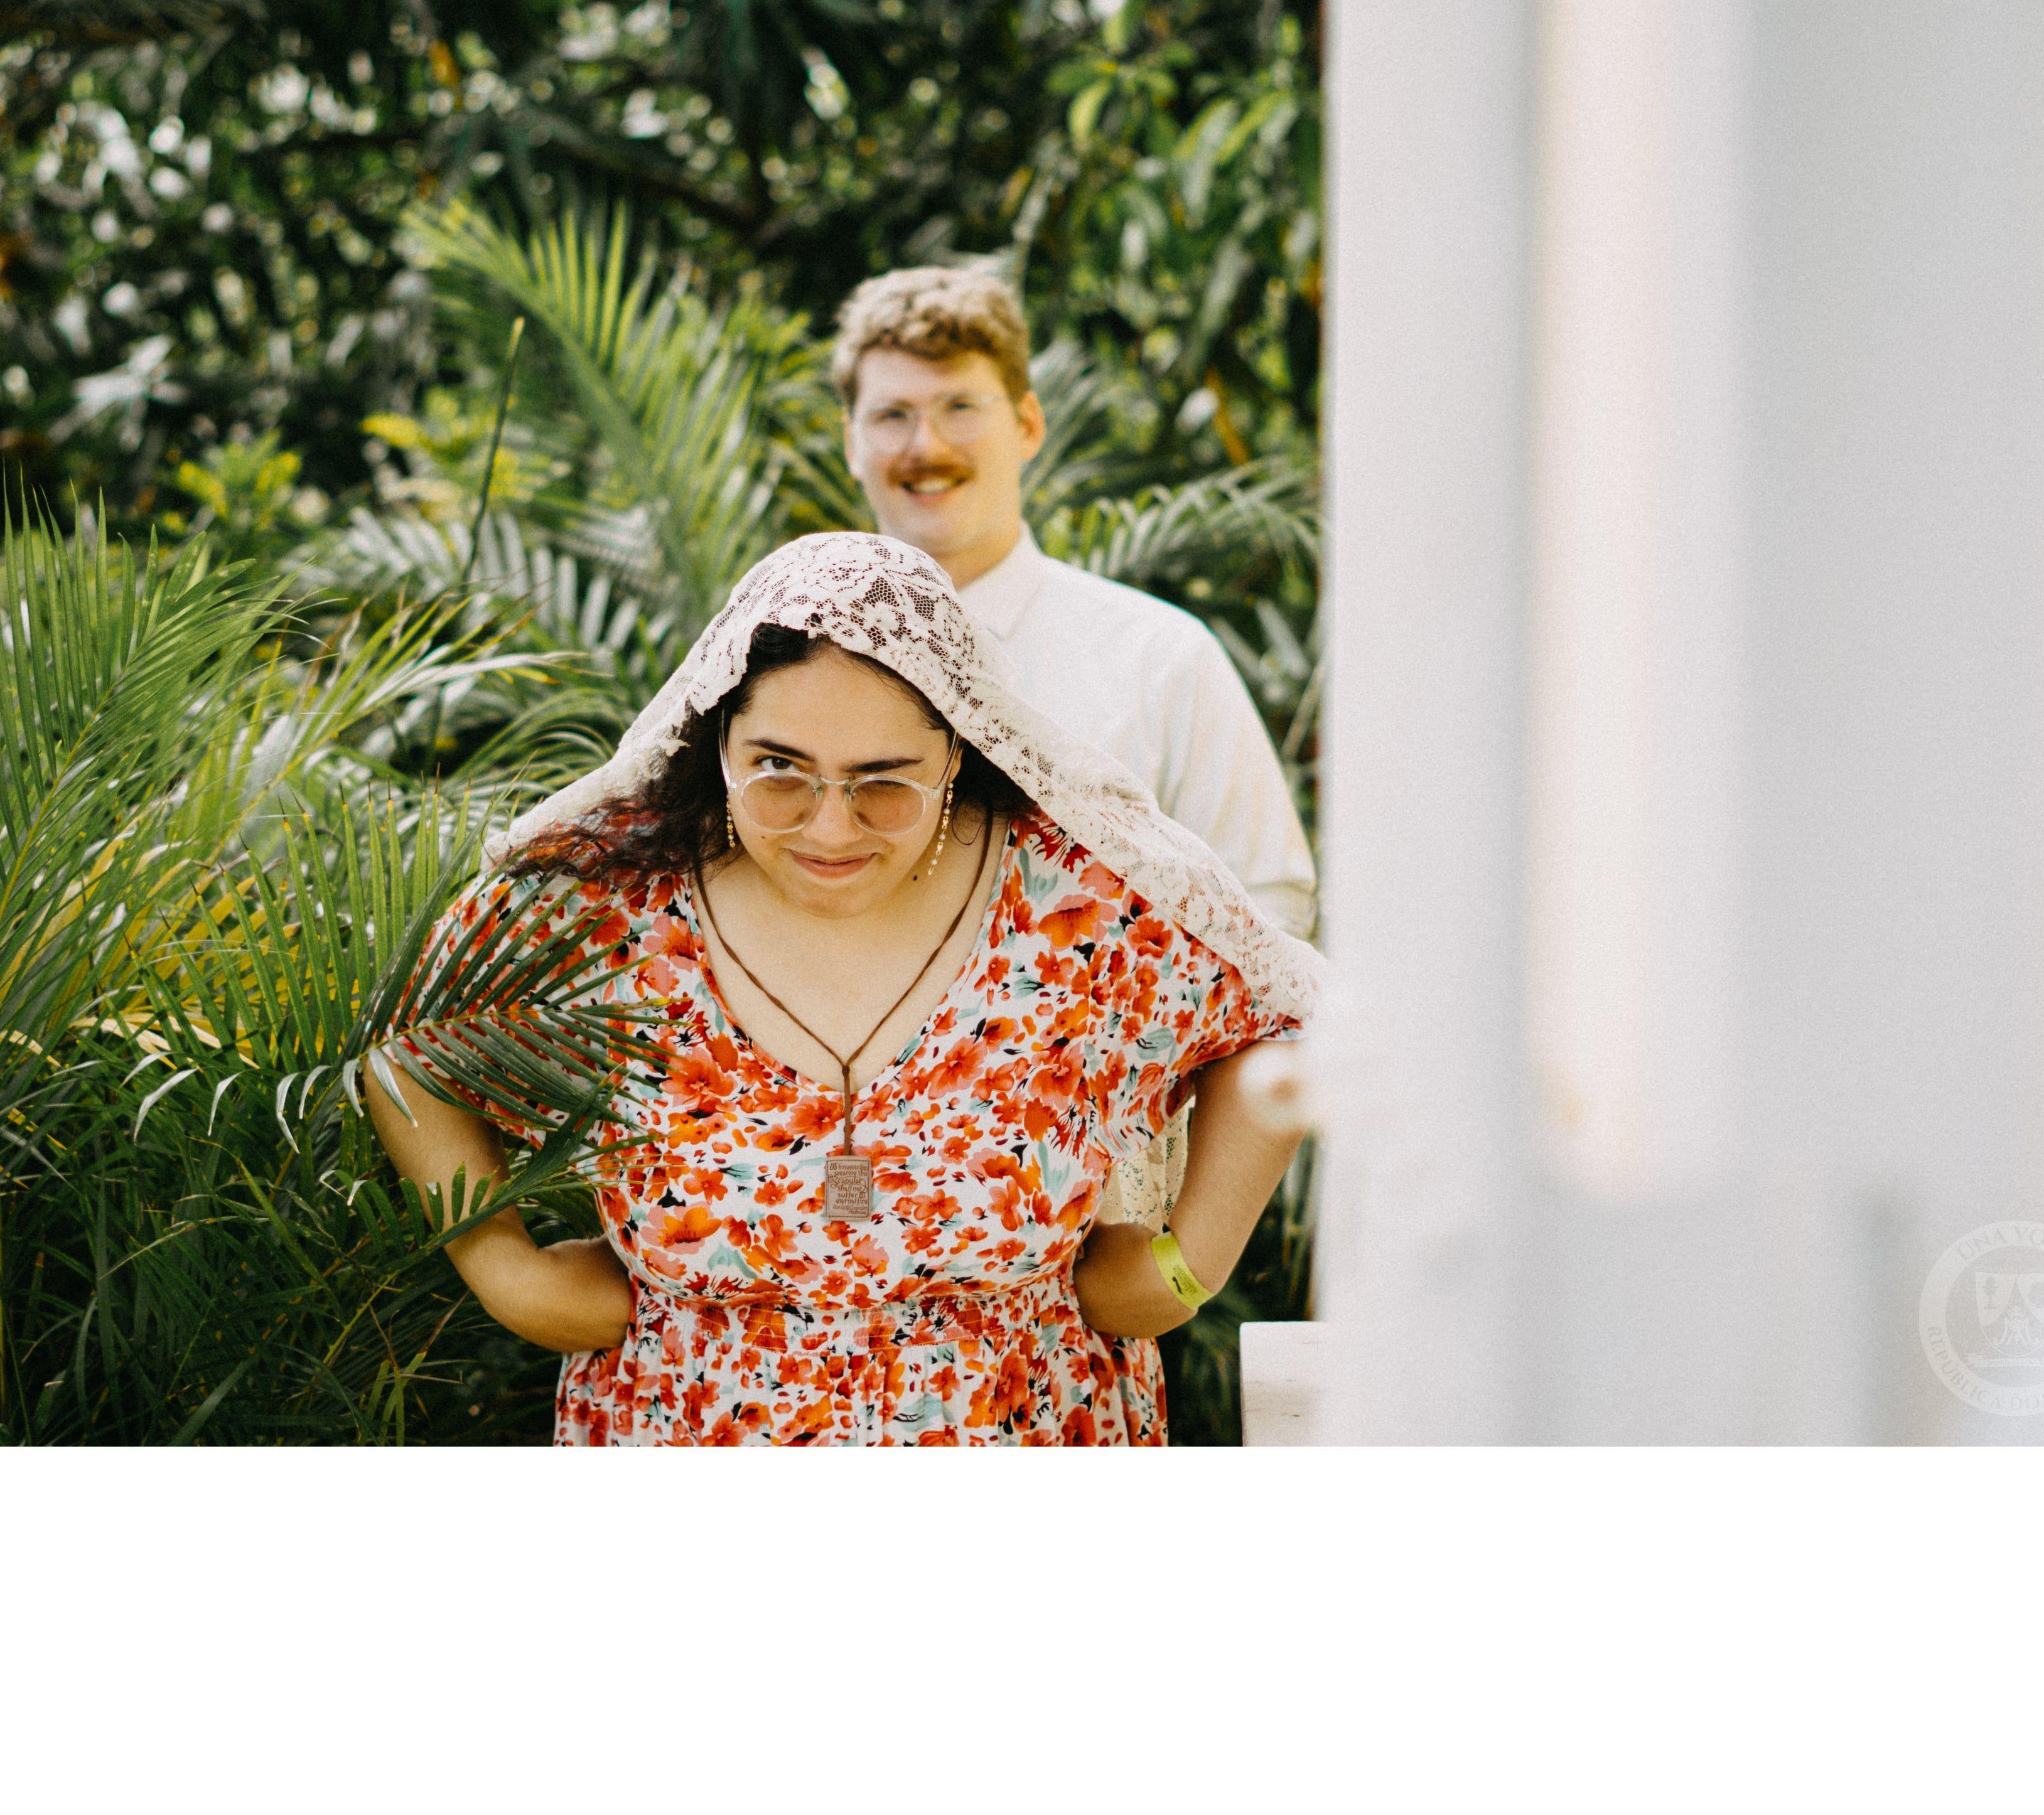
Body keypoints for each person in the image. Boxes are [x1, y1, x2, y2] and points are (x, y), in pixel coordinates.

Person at [362, 532, 1325, 1446]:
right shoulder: (608, 907)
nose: (830, 829)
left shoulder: (1071, 901)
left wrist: (1183, 1266)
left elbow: (1286, 1021)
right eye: (779, 772)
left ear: (958, 749)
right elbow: (410, 1046)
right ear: (717, 738)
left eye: (885, 783)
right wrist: (507, 1271)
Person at [833, 264, 1318, 938]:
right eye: (892, 415)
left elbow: (1270, 905)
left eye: (960, 407)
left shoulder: (1163, 659)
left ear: (1028, 424)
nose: (927, 446)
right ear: (851, 443)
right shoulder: (783, 663)